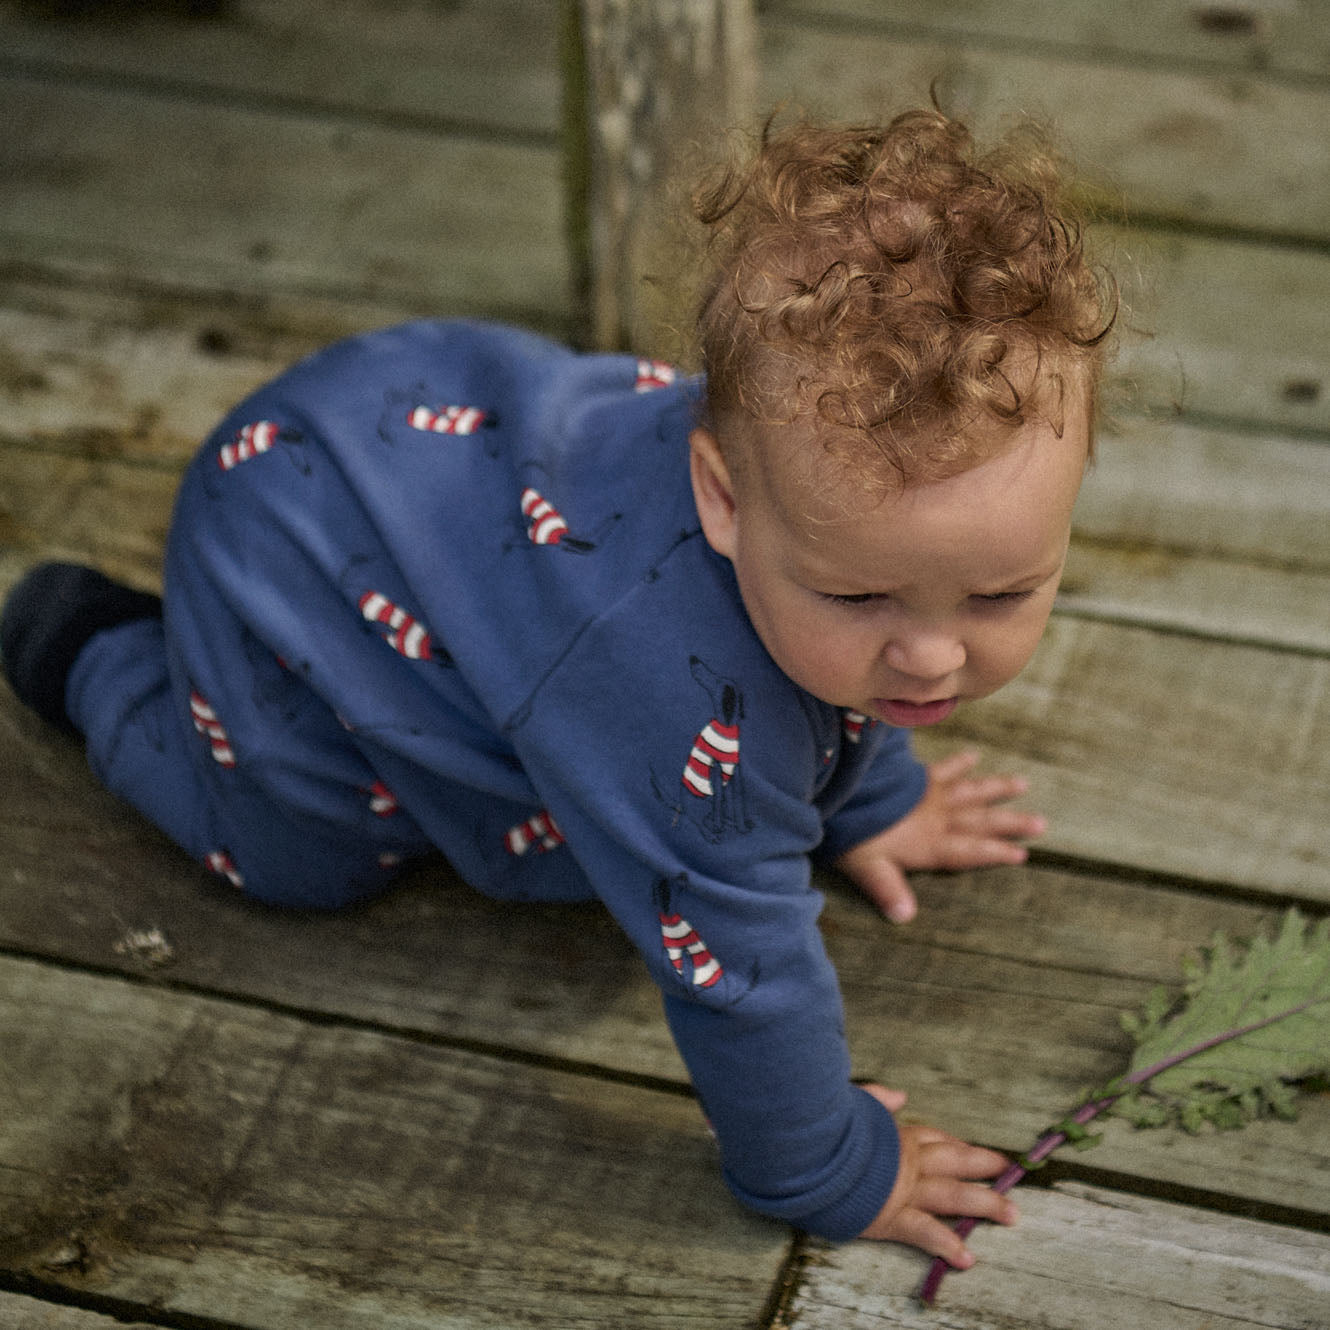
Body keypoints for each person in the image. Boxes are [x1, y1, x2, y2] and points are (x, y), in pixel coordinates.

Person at [1, 107, 1114, 1269]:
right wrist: (828, 1165)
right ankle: (102, 658)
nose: (934, 658)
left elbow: (860, 678)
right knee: (293, 853)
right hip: (292, 582)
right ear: (721, 496)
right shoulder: (680, 706)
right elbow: (736, 969)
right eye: (861, 599)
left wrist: (872, 796)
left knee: (816, 667)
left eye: (999, 596)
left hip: (403, 434)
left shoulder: (814, 507)